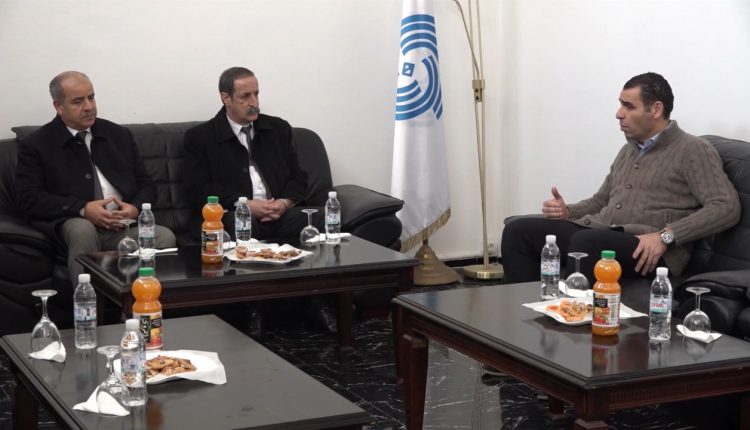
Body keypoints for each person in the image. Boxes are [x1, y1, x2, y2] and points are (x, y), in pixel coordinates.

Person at [501, 72, 740, 284]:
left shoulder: (693, 149)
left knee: (586, 243)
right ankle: (531, 308)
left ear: (656, 110)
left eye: (628, 106)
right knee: (518, 231)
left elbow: (726, 206)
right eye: (620, 105)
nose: (619, 114)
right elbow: (600, 201)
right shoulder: (629, 150)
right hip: (603, 233)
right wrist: (568, 212)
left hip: (649, 249)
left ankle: (574, 315)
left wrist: (666, 236)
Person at [183, 67, 332, 336]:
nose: (254, 102)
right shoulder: (200, 137)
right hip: (234, 214)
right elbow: (197, 188)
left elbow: (299, 178)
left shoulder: (277, 128)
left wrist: (285, 202)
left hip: (279, 212)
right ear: (226, 98)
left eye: (256, 94)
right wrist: (245, 205)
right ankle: (253, 308)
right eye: (245, 96)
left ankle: (317, 300)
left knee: (321, 219)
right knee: (242, 225)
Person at [15, 71, 177, 288]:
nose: (89, 106)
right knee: (83, 230)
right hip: (74, 223)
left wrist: (135, 208)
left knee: (163, 236)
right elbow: (28, 198)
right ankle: (89, 304)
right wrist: (82, 208)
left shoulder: (118, 135)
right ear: (58, 106)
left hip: (121, 226)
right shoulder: (37, 144)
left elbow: (146, 184)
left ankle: (144, 302)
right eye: (78, 101)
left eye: (91, 97)